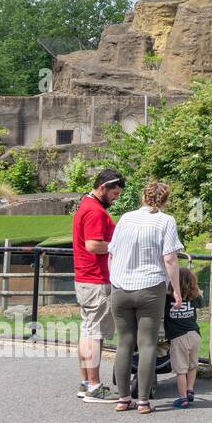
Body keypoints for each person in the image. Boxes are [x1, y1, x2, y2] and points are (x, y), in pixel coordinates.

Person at [108, 181, 183, 415]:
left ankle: (122, 399)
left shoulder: (126, 218)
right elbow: (170, 259)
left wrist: (115, 279)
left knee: (124, 342)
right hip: (150, 287)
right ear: (164, 200)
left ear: (143, 197)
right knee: (148, 343)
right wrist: (177, 290)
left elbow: (111, 254)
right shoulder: (166, 221)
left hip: (120, 287)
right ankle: (143, 401)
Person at [72, 169, 124, 403]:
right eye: (114, 193)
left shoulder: (85, 204)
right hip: (96, 279)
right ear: (103, 187)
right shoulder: (94, 211)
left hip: (85, 278)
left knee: (87, 331)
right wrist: (118, 247)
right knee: (95, 334)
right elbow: (94, 245)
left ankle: (86, 382)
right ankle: (94, 386)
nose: (116, 198)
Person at [165, 266, 202, 408]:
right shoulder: (195, 297)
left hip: (178, 337)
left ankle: (182, 398)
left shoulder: (167, 298)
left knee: (181, 370)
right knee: (192, 366)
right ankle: (190, 390)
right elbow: (201, 301)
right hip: (194, 335)